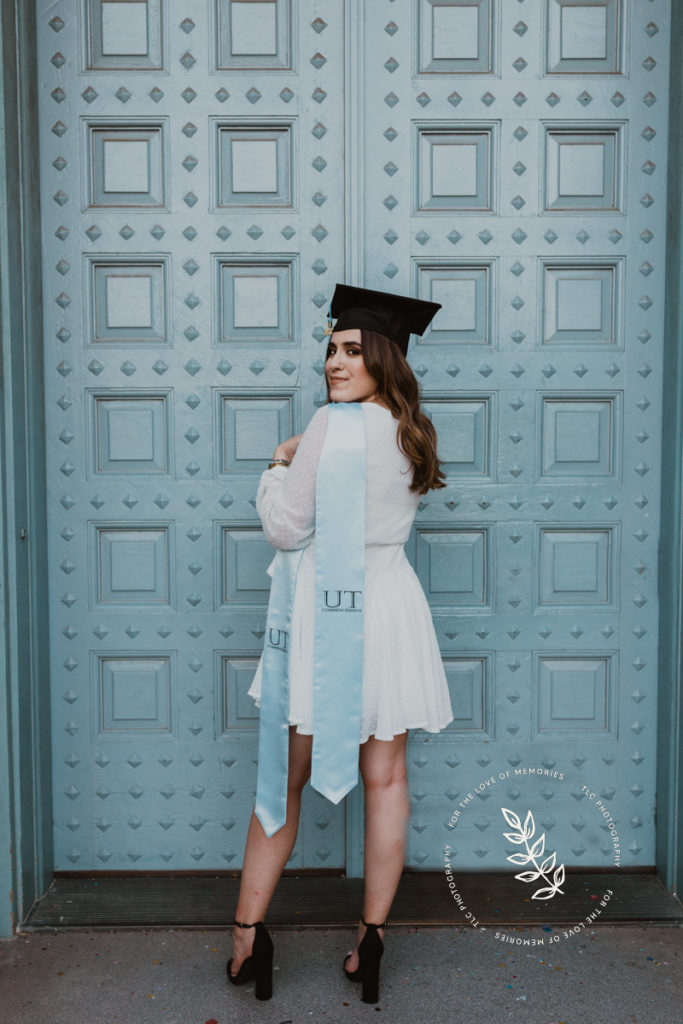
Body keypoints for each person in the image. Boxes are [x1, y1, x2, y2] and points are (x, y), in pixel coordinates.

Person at [227, 283, 455, 1003]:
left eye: (352, 350)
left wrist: (275, 462)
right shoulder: (412, 428)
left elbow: (286, 529)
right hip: (389, 610)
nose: (334, 361)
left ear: (381, 357)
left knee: (282, 780)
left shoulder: (331, 425)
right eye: (330, 348)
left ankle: (246, 939)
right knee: (387, 781)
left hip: (328, 616)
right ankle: (371, 942)